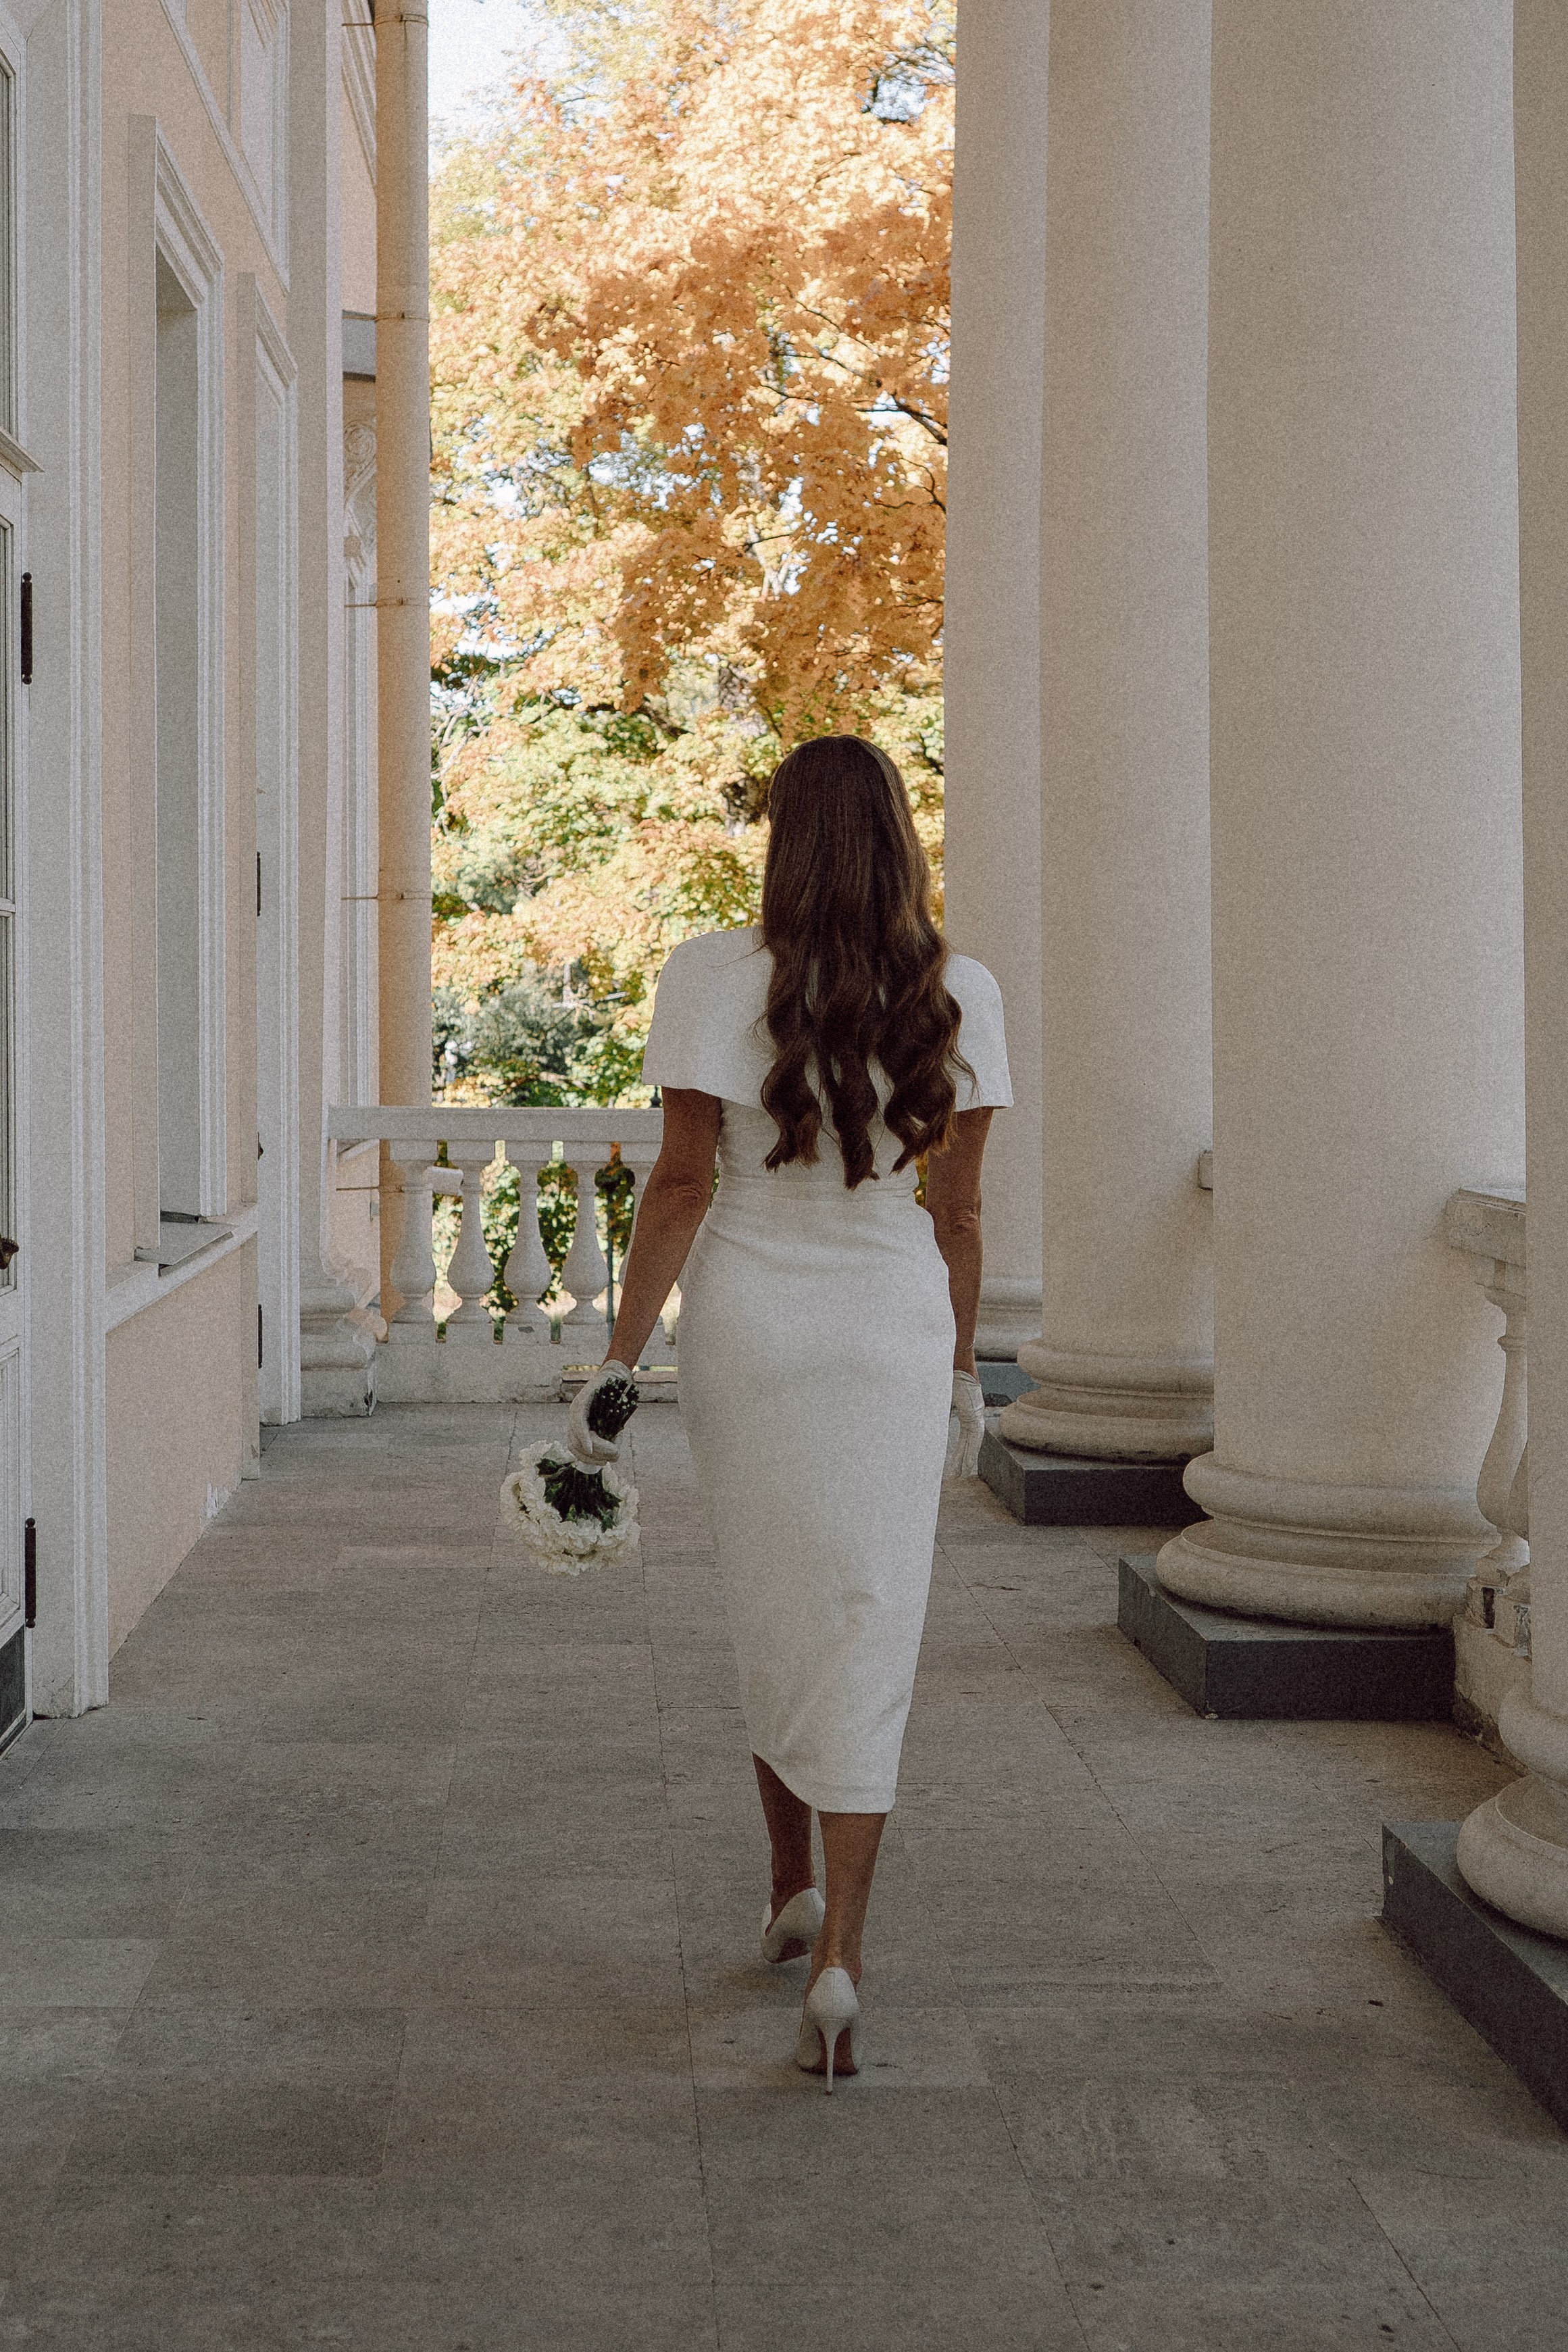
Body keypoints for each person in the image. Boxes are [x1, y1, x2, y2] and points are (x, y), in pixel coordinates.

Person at [567, 734, 1011, 2091]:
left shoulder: (711, 976)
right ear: (900, 843)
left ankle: (786, 1888)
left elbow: (684, 1184)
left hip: (753, 1329)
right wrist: (960, 1373)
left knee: (771, 1600)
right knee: (870, 1614)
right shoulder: (963, 992)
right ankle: (843, 1963)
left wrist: (619, 1353)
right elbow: (961, 1213)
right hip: (890, 1333)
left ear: (784, 840)